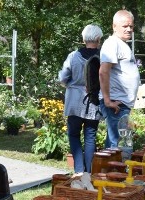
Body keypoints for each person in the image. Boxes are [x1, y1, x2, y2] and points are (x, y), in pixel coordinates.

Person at [58, 24, 102, 173]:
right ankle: (88, 172)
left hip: (75, 102)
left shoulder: (73, 56)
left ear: (83, 39)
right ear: (98, 39)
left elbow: (63, 78)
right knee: (90, 137)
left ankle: (78, 170)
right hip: (94, 101)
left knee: (73, 134)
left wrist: (71, 84)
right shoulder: (103, 57)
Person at [99, 10, 140, 149]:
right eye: (125, 26)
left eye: (131, 26)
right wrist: (107, 100)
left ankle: (107, 169)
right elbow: (103, 71)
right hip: (116, 103)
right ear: (114, 26)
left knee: (115, 142)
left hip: (121, 103)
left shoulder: (122, 44)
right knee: (115, 144)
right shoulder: (112, 43)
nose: (129, 29)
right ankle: (110, 169)